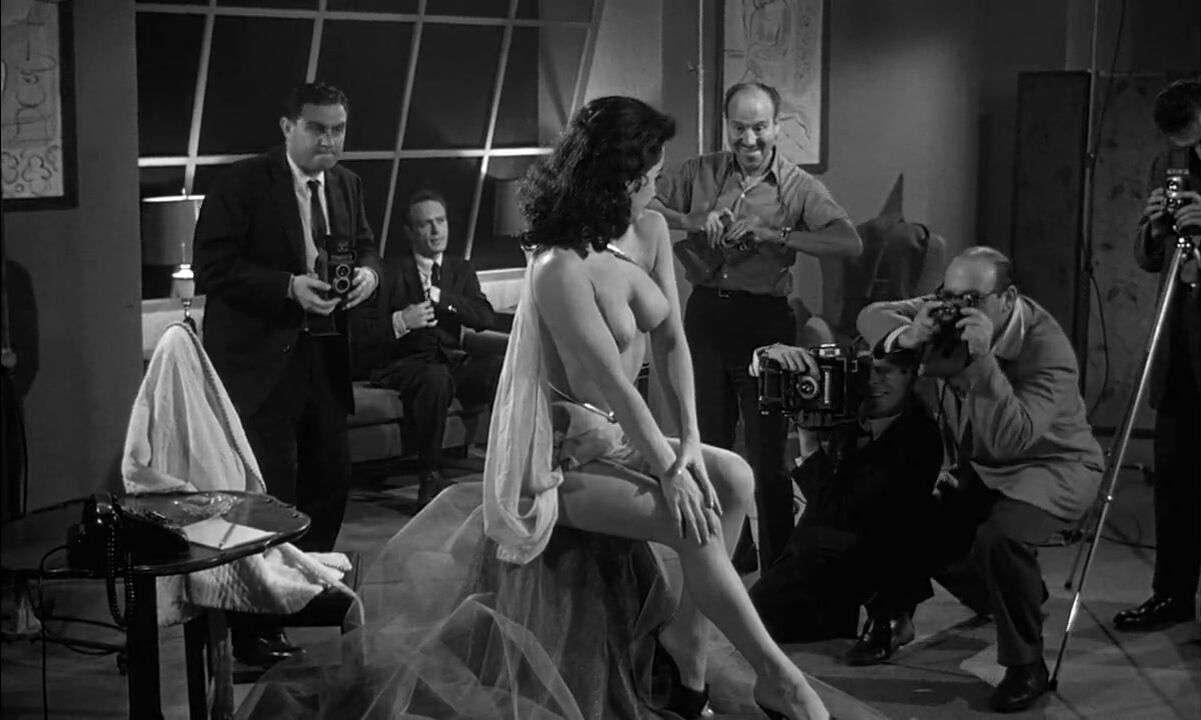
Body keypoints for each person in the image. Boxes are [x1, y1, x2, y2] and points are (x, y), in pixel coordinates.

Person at [239, 96, 872, 720]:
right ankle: (780, 679)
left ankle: (688, 637)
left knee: (734, 475)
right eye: (651, 177)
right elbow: (614, 384)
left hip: (619, 437)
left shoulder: (650, 230)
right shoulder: (557, 267)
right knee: (696, 521)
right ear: (619, 179)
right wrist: (669, 467)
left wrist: (686, 445)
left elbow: (671, 341)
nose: (660, 191)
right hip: (558, 457)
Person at [858, 246, 1103, 713]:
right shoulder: (947, 310)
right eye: (947, 296)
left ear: (1007, 298)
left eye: (970, 300)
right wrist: (908, 334)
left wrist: (984, 358)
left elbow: (1013, 440)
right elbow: (870, 316)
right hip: (985, 465)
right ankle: (898, 617)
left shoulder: (1046, 349)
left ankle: (1026, 666)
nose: (955, 309)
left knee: (1001, 538)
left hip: (1054, 465)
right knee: (910, 509)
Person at [193, 81, 381, 666]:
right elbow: (211, 267)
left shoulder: (347, 185)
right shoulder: (242, 184)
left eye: (338, 129)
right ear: (287, 127)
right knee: (268, 497)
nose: (330, 141)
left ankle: (297, 598)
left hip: (324, 360)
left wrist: (370, 276)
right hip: (260, 366)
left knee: (330, 482)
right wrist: (287, 287)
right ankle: (252, 627)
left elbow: (367, 248)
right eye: (318, 129)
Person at [651, 81, 861, 572]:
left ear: (777, 127)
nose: (749, 140)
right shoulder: (699, 171)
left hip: (765, 323)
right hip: (706, 315)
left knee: (767, 457)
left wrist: (775, 233)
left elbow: (848, 242)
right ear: (726, 125)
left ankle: (781, 566)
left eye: (759, 128)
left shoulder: (797, 186)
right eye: (739, 128)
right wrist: (692, 219)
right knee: (709, 445)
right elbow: (643, 204)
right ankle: (730, 552)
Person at [747, 345, 942, 666]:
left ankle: (893, 617)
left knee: (901, 524)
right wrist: (771, 355)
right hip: (833, 544)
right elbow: (765, 370)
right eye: (867, 370)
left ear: (910, 375)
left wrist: (809, 444)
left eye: (886, 371)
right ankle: (837, 613)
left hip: (880, 547)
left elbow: (842, 509)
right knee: (760, 614)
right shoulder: (844, 405)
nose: (874, 381)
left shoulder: (919, 434)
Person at [1112, 77, 1201, 632]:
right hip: (1180, 350)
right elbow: (1150, 258)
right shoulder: (1168, 165)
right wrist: (1153, 228)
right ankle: (1171, 595)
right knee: (1174, 484)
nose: (1188, 150)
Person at [349, 189, 500, 507]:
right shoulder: (389, 273)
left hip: (452, 363)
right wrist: (401, 321)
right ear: (409, 231)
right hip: (404, 364)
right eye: (425, 224)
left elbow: (484, 317)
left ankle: (505, 465)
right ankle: (428, 476)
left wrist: (443, 298)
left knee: (503, 366)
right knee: (435, 378)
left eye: (441, 221)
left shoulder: (461, 270)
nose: (436, 231)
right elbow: (361, 334)